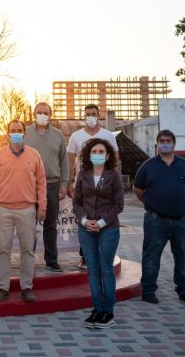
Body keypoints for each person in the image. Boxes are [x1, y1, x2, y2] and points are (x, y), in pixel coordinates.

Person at [0, 120, 47, 303]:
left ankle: (26, 287)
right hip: (3, 209)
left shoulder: (34, 155)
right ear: (7, 134)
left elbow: (41, 182)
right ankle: (3, 288)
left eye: (19, 130)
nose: (16, 133)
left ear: (24, 133)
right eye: (13, 131)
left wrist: (42, 206)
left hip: (27, 209)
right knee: (3, 250)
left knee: (27, 250)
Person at [134, 129, 185, 305]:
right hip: (156, 221)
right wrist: (152, 203)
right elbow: (138, 189)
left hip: (181, 221)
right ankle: (148, 291)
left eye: (168, 140)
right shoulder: (148, 166)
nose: (165, 143)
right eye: (162, 140)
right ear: (157, 144)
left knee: (182, 257)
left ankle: (184, 291)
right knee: (151, 257)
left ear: (174, 143)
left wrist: (177, 201)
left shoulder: (184, 164)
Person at [73, 138, 124, 329]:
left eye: (101, 152)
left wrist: (101, 223)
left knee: (106, 269)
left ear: (108, 155)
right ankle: (97, 309)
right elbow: (77, 203)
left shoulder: (114, 175)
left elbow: (118, 205)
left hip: (108, 229)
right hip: (86, 228)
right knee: (92, 271)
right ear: (88, 155)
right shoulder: (83, 175)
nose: (98, 155)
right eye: (94, 151)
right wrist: (85, 221)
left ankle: (108, 312)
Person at [68, 104, 120, 269]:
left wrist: (115, 180)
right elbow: (70, 161)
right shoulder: (75, 136)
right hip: (83, 184)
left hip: (105, 183)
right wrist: (70, 181)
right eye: (87, 114)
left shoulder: (108, 135)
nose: (90, 116)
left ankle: (105, 255)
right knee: (85, 218)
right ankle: (85, 256)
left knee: (105, 215)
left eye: (93, 114)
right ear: (84, 116)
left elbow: (116, 159)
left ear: (99, 116)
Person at [24, 102, 69, 272]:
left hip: (52, 185)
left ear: (50, 115)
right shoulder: (25, 133)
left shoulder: (58, 135)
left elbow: (64, 161)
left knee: (50, 225)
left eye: (45, 112)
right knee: (29, 225)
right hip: (29, 185)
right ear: (33, 114)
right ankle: (28, 259)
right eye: (39, 112)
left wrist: (64, 183)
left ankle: (51, 260)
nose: (42, 115)